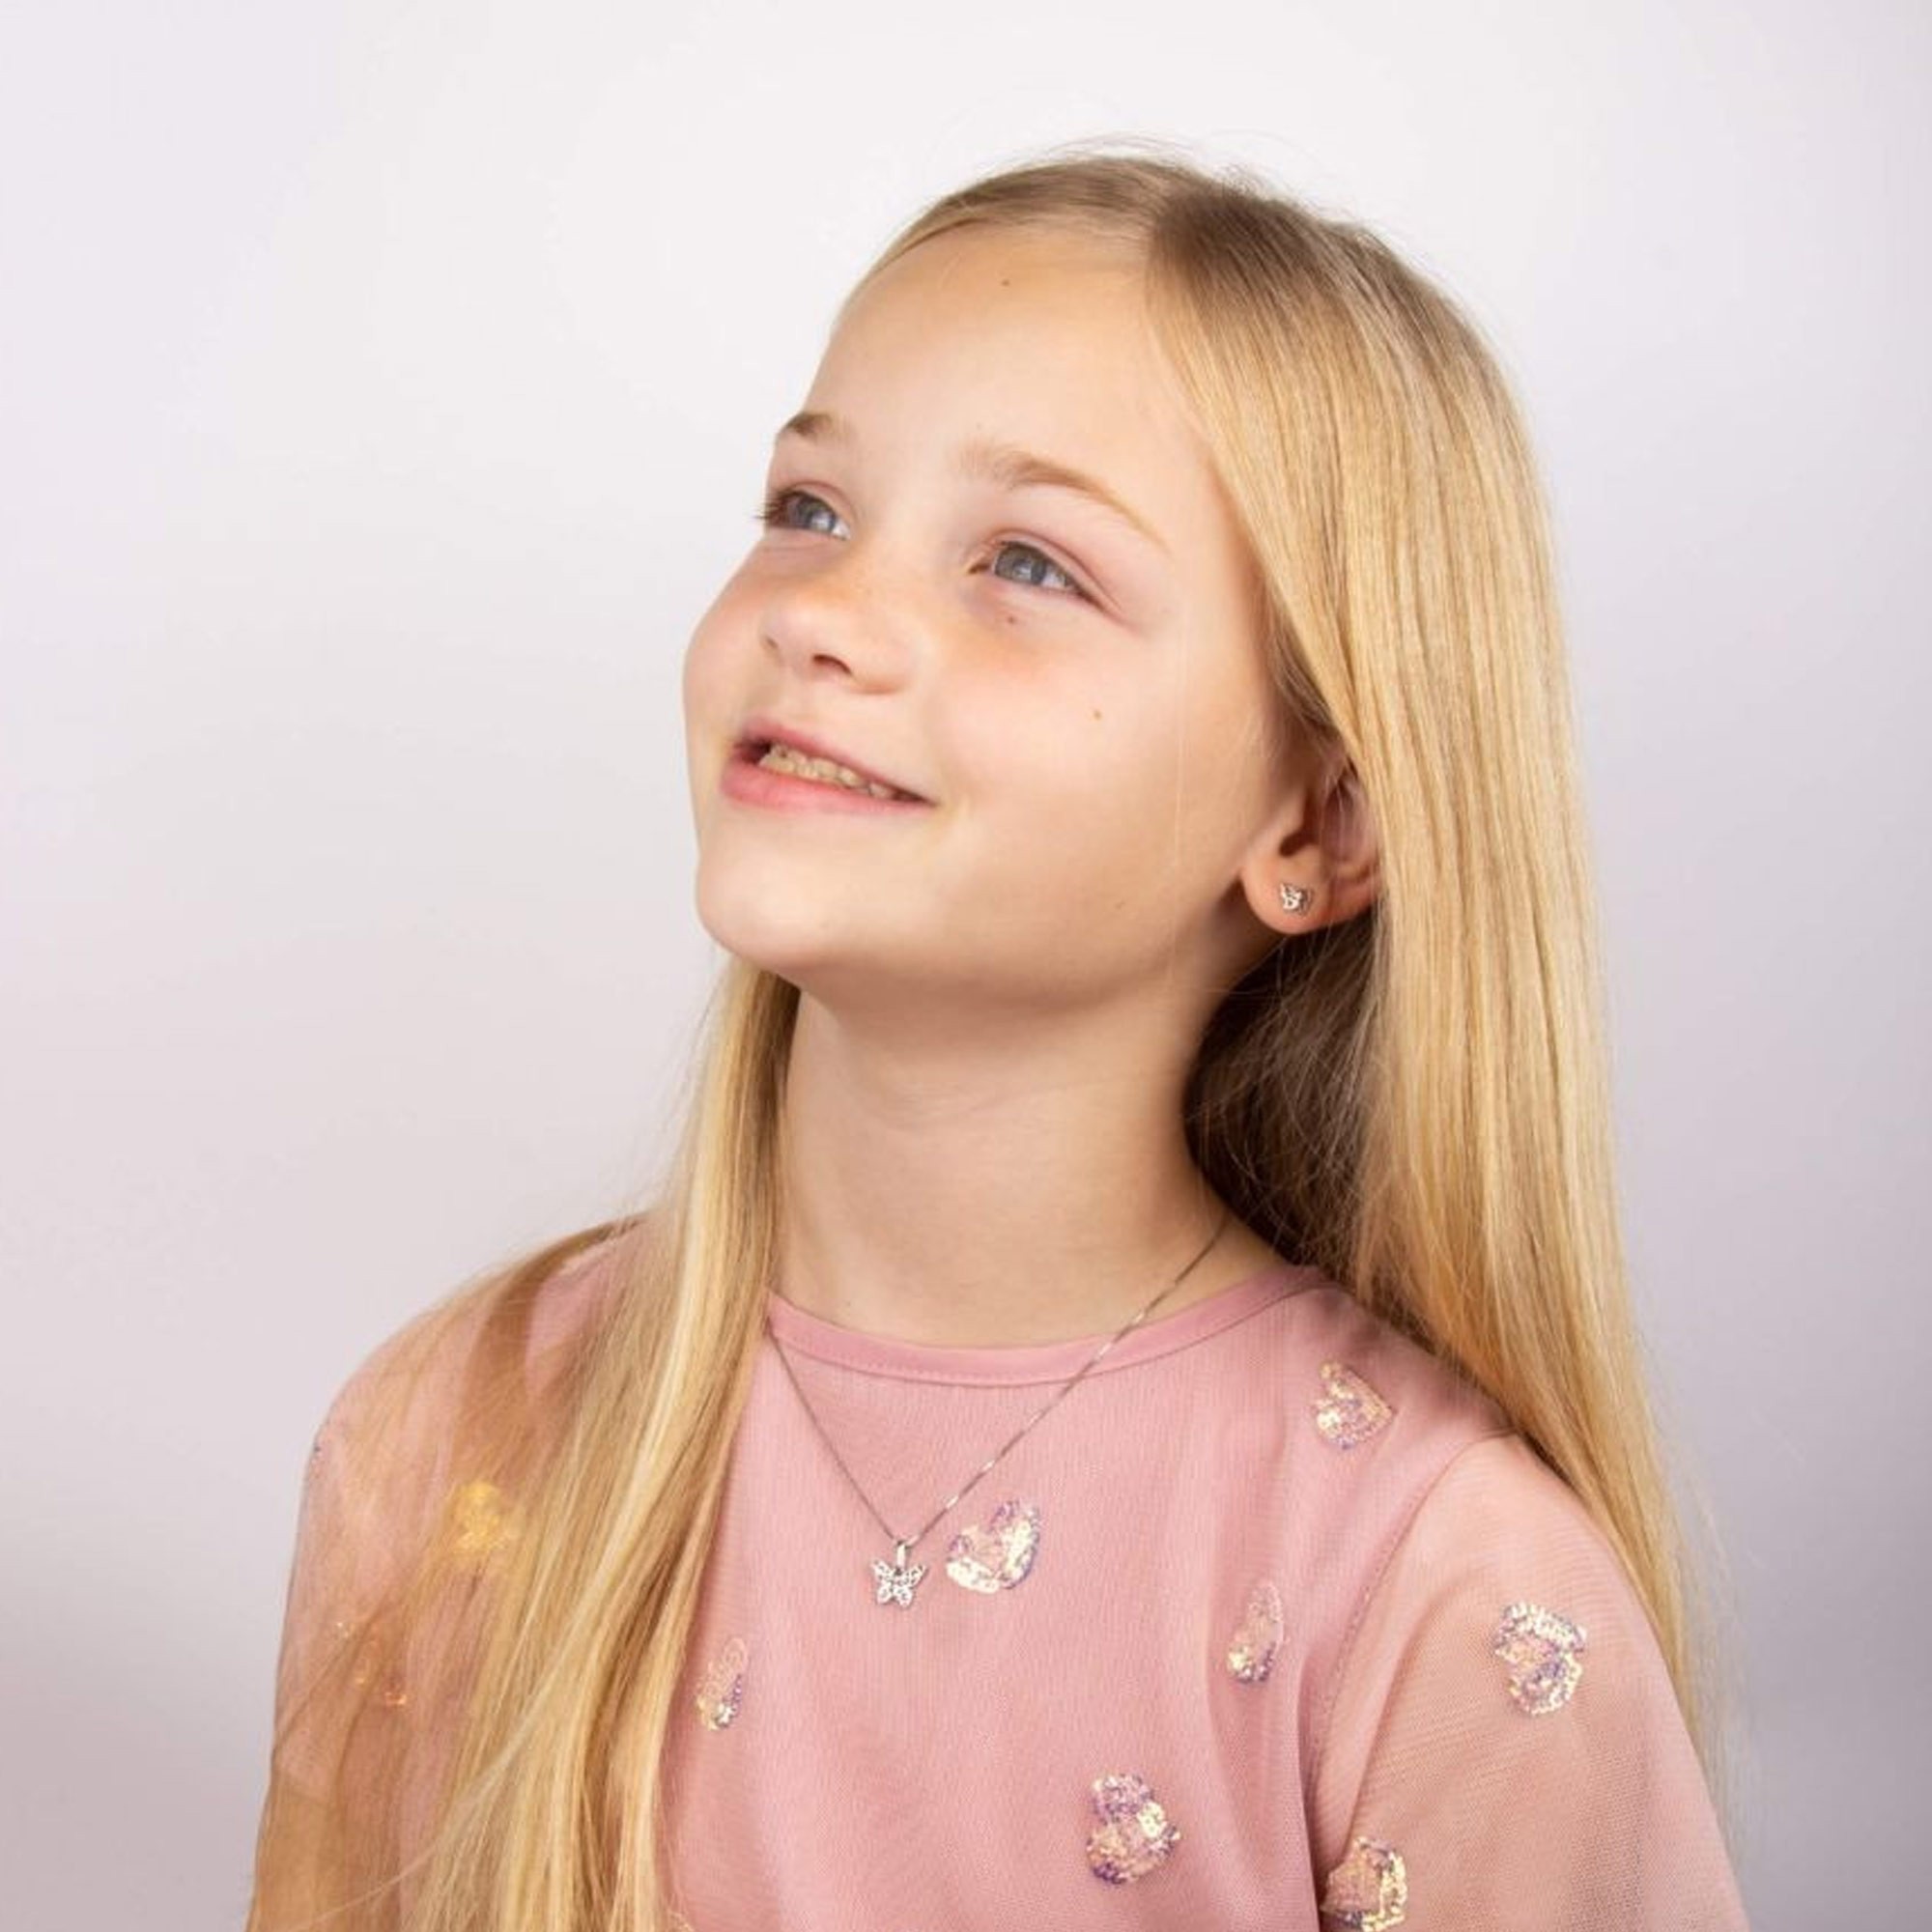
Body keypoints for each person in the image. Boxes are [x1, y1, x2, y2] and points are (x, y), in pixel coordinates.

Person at [246, 140, 1752, 1931]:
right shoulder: (454, 1438)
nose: (821, 613)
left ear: (1318, 823)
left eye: (1028, 561)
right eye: (810, 508)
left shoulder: (1445, 1599)